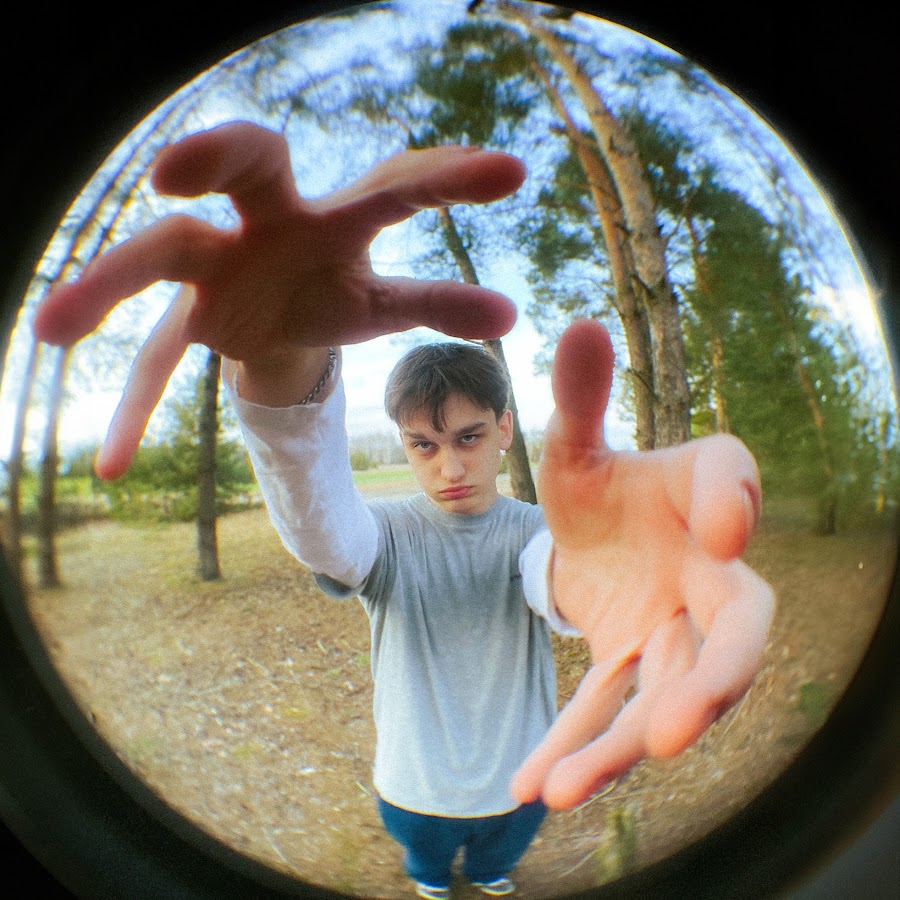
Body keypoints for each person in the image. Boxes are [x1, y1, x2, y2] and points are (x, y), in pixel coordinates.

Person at [34, 122, 775, 897]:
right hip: (411, 790)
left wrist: (608, 570)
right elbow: (323, 528)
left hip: (519, 785)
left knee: (494, 866)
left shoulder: (537, 535)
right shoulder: (384, 537)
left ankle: (488, 875)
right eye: (423, 445)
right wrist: (279, 361)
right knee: (426, 866)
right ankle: (429, 881)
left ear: (505, 430)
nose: (449, 467)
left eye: (468, 437)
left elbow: (552, 569)